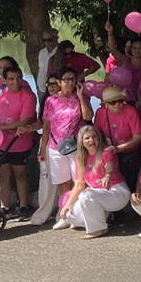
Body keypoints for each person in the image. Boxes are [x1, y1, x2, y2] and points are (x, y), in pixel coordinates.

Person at [55, 125, 130, 239]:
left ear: (99, 138)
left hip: (116, 192)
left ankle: (98, 229)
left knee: (86, 195)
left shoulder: (106, 151)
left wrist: (107, 175)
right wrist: (67, 205)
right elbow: (79, 184)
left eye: (94, 137)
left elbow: (109, 166)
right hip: (97, 195)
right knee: (70, 215)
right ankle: (102, 216)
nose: (91, 140)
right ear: (82, 141)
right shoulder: (81, 159)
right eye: (87, 138)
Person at [40, 67, 93, 206]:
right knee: (62, 183)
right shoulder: (51, 100)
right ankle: (65, 212)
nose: (70, 82)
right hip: (55, 146)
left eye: (72, 79)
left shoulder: (80, 98)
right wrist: (42, 149)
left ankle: (81, 210)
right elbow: (46, 126)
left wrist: (81, 97)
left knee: (79, 181)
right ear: (59, 82)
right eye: (66, 79)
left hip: (75, 146)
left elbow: (88, 117)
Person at [0, 66, 36, 219]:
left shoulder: (27, 96)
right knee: (2, 175)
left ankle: (23, 206)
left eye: (18, 78)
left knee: (20, 174)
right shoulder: (3, 93)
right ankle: (4, 206)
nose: (15, 82)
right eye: (11, 79)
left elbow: (24, 120)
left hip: (19, 142)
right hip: (1, 142)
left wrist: (1, 128)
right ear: (5, 80)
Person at [94, 86, 141, 219]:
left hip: (131, 151)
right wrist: (105, 149)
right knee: (113, 180)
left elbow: (137, 137)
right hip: (110, 151)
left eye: (120, 100)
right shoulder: (100, 113)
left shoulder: (131, 111)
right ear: (105, 105)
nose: (118, 104)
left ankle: (135, 209)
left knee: (131, 179)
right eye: (113, 102)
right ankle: (117, 211)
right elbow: (96, 134)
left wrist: (119, 148)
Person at [28, 74, 62, 225]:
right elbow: (44, 125)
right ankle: (43, 212)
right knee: (46, 179)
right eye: (49, 84)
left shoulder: (71, 100)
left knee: (63, 180)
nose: (52, 87)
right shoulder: (47, 102)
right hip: (48, 142)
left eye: (55, 84)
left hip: (64, 143)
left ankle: (63, 212)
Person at [104, 21, 141, 101]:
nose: (137, 51)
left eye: (140, 48)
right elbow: (112, 49)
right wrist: (110, 32)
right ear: (131, 49)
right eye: (134, 48)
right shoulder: (126, 60)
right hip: (126, 100)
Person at [36, 28, 61, 99]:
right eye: (44, 40)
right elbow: (40, 69)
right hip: (41, 88)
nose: (47, 42)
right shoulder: (42, 52)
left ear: (56, 38)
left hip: (55, 90)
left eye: (49, 40)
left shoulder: (61, 52)